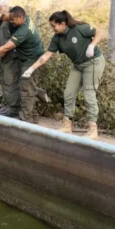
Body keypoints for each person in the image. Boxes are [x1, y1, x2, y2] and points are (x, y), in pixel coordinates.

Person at [22, 10, 105, 139]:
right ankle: (67, 126)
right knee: (69, 93)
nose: (53, 29)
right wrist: (31, 69)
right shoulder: (57, 38)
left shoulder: (80, 28)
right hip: (78, 65)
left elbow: (100, 32)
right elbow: (47, 55)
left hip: (93, 62)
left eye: (54, 26)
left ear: (63, 23)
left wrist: (92, 45)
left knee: (88, 94)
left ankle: (93, 130)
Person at [0, 6, 44, 123]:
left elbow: (7, 46)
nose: (11, 22)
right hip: (26, 59)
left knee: (26, 89)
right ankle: (31, 116)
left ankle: (27, 119)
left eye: (13, 20)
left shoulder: (23, 30)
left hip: (32, 61)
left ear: (20, 17)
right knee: (25, 88)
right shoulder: (22, 18)